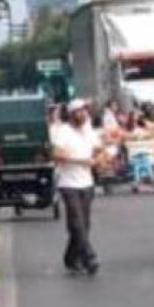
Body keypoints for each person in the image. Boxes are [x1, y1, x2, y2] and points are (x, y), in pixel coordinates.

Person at [52, 99, 102, 275]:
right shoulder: (63, 131)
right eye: (79, 111)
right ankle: (90, 257)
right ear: (72, 114)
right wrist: (80, 160)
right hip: (68, 183)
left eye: (85, 111)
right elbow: (57, 155)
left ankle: (71, 258)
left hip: (86, 183)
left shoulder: (88, 130)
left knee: (83, 224)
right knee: (77, 222)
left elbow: (98, 147)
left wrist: (97, 158)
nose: (83, 114)